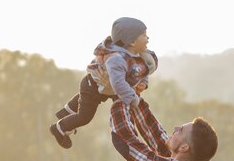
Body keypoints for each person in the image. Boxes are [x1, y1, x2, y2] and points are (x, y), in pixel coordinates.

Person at [50, 17, 158, 149]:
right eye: (144, 35)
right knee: (85, 116)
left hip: (102, 86)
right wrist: (133, 99)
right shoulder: (116, 59)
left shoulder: (138, 53)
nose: (148, 39)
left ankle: (66, 112)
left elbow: (143, 69)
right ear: (133, 41)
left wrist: (143, 83)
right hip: (93, 86)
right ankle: (60, 127)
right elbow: (118, 85)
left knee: (83, 99)